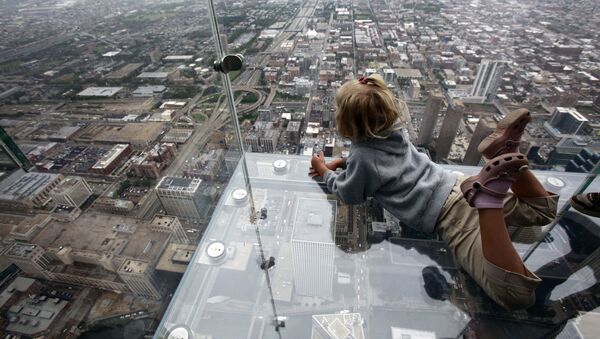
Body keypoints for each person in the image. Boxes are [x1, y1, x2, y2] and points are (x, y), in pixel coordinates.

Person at [309, 74, 559, 310]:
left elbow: (349, 192)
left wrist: (324, 171)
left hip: (452, 218)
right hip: (457, 184)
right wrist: (345, 163)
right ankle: (503, 151)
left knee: (517, 296)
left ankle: (489, 202)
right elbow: (378, 164)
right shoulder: (395, 132)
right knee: (540, 215)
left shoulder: (364, 158)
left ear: (347, 122)